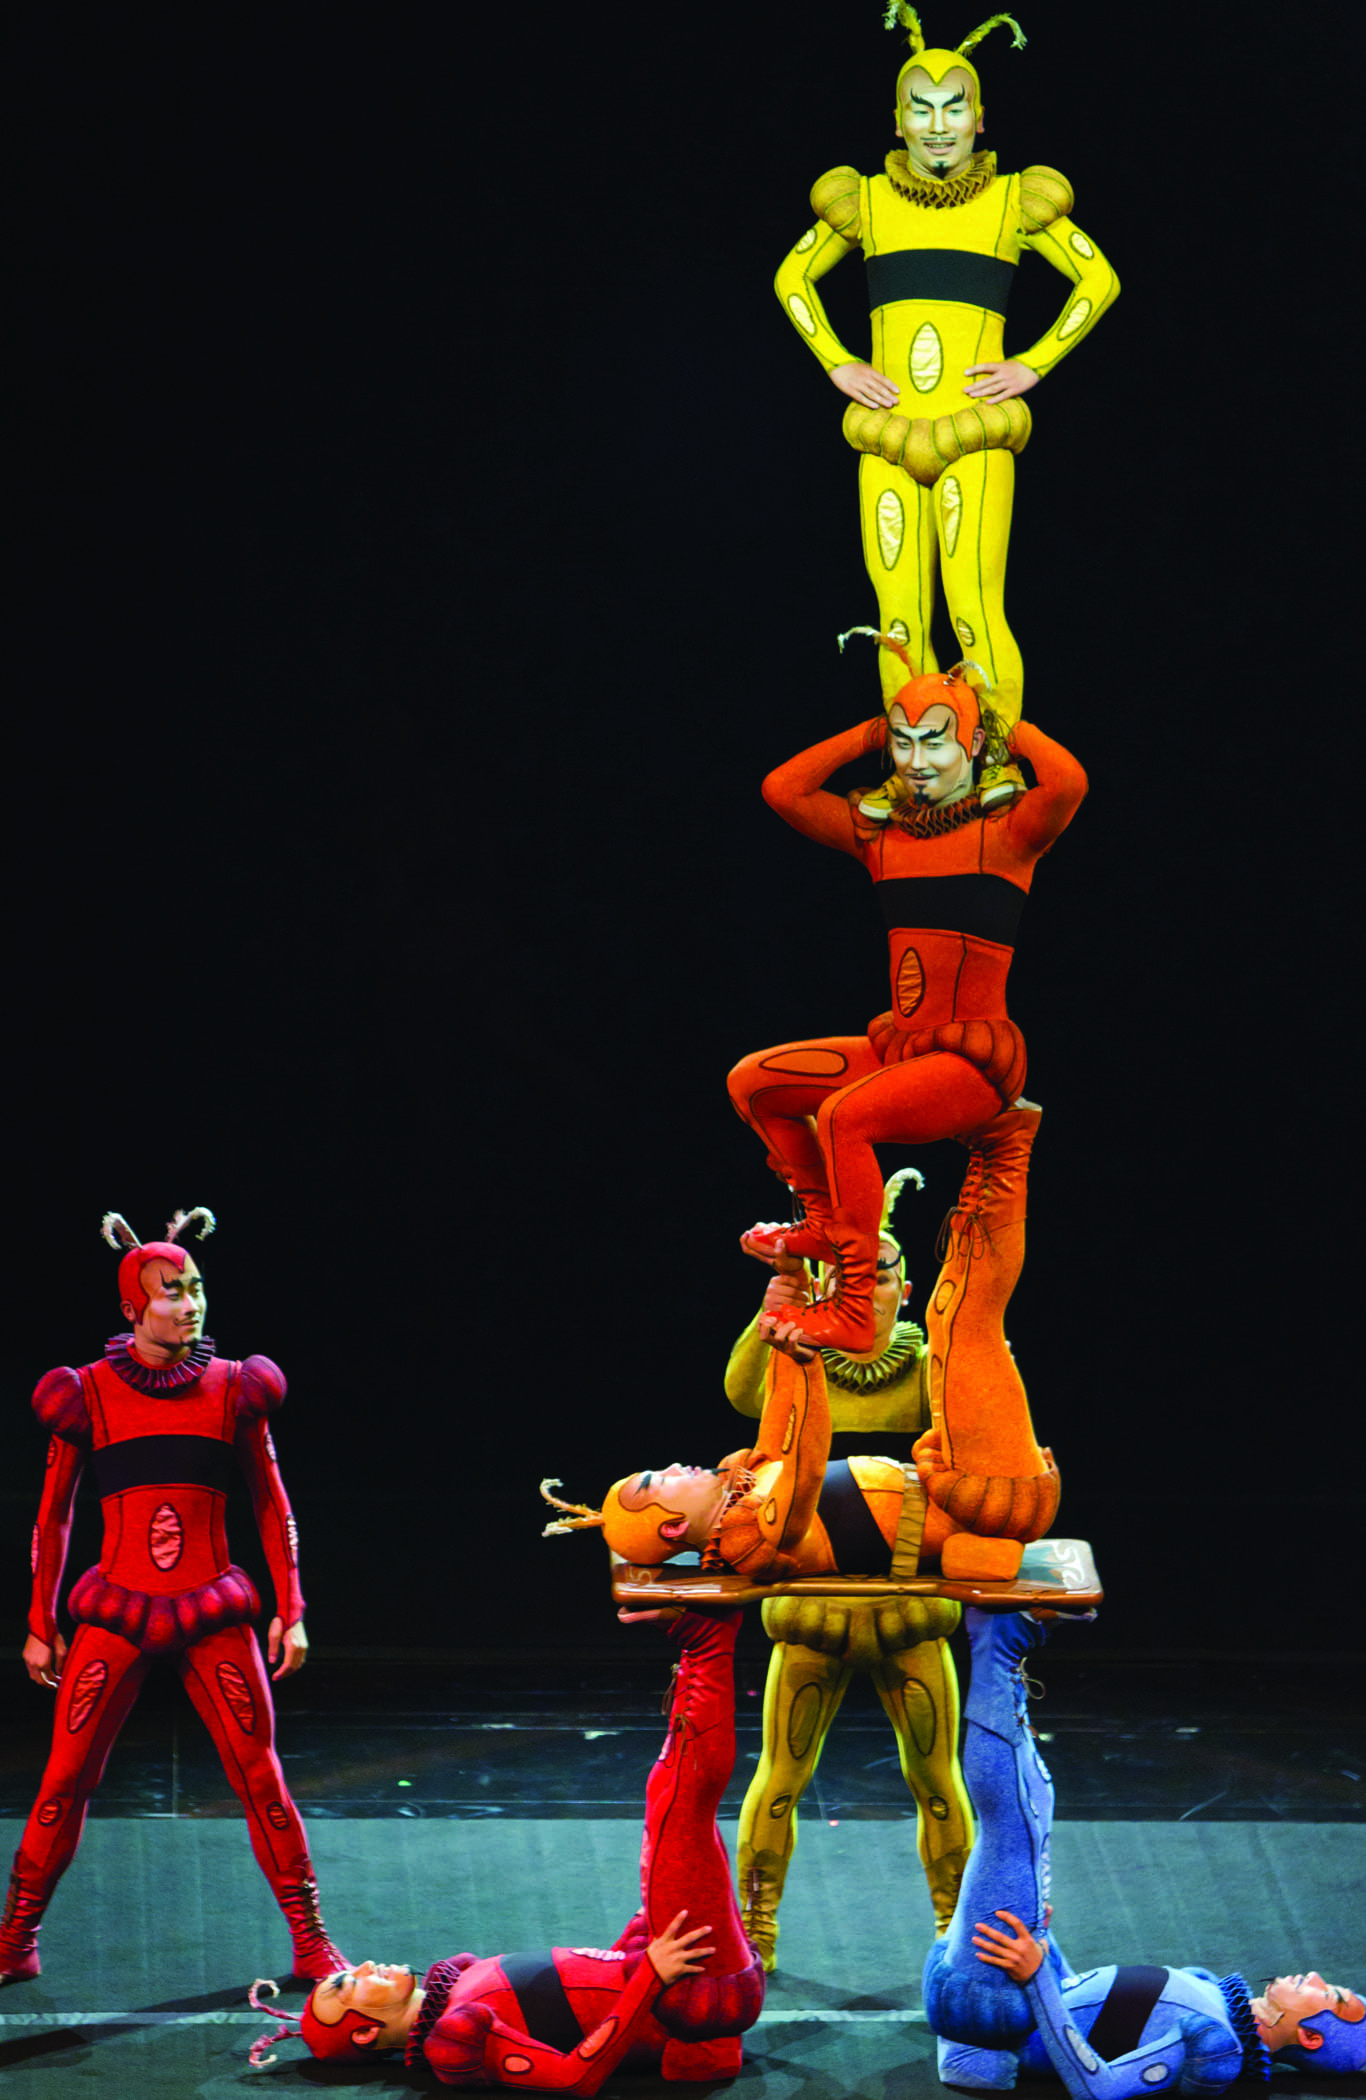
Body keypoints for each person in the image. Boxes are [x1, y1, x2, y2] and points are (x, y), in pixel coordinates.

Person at [774, 6, 1118, 800]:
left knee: (973, 610)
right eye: (921, 109)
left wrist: (1032, 365)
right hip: (888, 436)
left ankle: (989, 764)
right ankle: (916, 773)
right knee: (898, 618)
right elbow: (792, 279)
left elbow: (1098, 280)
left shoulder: (1013, 201)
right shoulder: (865, 202)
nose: (937, 125)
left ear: (979, 118)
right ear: (897, 121)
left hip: (975, 436)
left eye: (953, 107)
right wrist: (838, 364)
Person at [0, 1209, 347, 1985]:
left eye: (195, 1287)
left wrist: (291, 1608)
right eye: (170, 1291)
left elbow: (272, 1503)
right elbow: (53, 1516)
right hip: (116, 1608)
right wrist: (39, 1621)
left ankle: (312, 1940)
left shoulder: (235, 1389)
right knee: (65, 1778)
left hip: (211, 1608)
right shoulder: (84, 1394)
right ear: (133, 1306)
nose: (189, 1304)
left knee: (260, 1775)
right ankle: (15, 1940)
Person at [728, 646, 1084, 1385]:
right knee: (754, 1082)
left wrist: (1007, 723)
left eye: (935, 742)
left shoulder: (1010, 833)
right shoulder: (882, 835)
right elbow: (782, 789)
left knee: (844, 1117)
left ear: (972, 744)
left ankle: (857, 1306)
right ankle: (825, 1224)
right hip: (903, 1050)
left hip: (971, 1064)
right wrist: (867, 731)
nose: (917, 761)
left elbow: (1069, 781)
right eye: (903, 742)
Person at [544, 1081, 1059, 1588]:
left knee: (953, 1321)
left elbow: (780, 1421)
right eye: (658, 1481)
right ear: (674, 1527)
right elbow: (804, 1464)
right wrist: (808, 1359)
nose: (674, 1465)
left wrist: (790, 1290)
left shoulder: (750, 1483)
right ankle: (1006, 1148)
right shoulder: (757, 1537)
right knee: (961, 1317)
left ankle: (819, 1154)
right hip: (990, 1499)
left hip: (957, 1487)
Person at [248, 1607, 765, 2087]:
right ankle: (708, 1640)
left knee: (670, 1799)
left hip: (665, 1973)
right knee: (679, 1807)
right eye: (347, 1986)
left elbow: (578, 1993)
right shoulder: (454, 2041)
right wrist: (649, 1976)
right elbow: (573, 2077)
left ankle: (701, 1645)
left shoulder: (457, 1984)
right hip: (688, 1999)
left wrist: (636, 1939)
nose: (362, 1967)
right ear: (364, 2032)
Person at [925, 1609, 1365, 2092]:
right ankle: (1003, 1658)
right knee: (1036, 1804)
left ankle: (998, 1648)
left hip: (990, 2010)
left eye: (1332, 1994)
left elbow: (1101, 2088)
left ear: (1310, 2037)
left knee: (1014, 1829)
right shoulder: (1214, 1995)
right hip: (1003, 2000)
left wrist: (1035, 1977)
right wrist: (1047, 1953)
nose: (1317, 1977)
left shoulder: (1218, 2049)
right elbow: (1093, 2009)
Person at [728, 1170, 973, 1965]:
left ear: (907, 1287)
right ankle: (754, 1929)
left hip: (910, 1611)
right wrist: (780, 1300)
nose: (863, 1292)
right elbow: (740, 1391)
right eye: (845, 1277)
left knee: (936, 1777)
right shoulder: (794, 1359)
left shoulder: (935, 1370)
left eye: (879, 1276)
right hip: (811, 1612)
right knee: (781, 1774)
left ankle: (958, 1931)